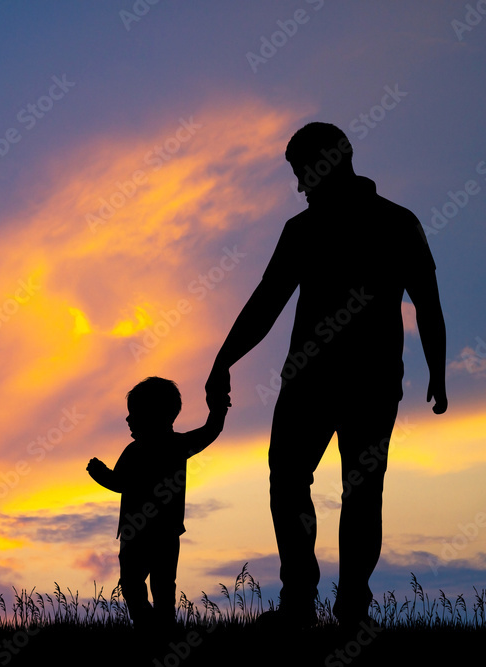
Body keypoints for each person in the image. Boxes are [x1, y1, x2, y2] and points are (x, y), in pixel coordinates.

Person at [205, 122, 447, 629]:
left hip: (364, 382)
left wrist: (438, 370)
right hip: (317, 382)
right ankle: (304, 601)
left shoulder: (395, 223)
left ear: (333, 160)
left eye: (303, 172)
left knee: (355, 488)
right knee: (296, 480)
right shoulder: (306, 229)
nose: (300, 185)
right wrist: (224, 358)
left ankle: (347, 607)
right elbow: (266, 302)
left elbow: (426, 301)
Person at [87, 376, 229, 630]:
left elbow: (118, 483)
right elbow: (212, 430)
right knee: (149, 586)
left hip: (150, 532)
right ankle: (155, 629)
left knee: (145, 586)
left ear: (156, 415)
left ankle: (155, 630)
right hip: (153, 532)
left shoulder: (151, 448)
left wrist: (100, 473)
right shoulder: (164, 447)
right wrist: (217, 408)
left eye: (135, 414)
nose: (128, 420)